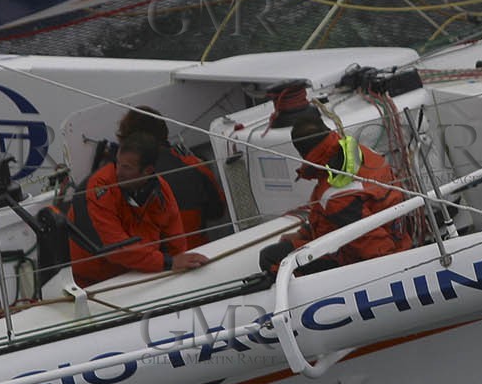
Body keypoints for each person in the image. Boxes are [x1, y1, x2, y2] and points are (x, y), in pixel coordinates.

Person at [258, 114, 414, 277]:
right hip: (399, 238)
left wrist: (394, 271)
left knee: (270, 257)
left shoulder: (336, 195)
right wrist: (306, 233)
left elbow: (370, 241)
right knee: (286, 244)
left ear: (304, 155)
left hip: (361, 257)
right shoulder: (359, 151)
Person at [67, 133, 207, 287]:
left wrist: (181, 266)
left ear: (147, 171)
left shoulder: (161, 192)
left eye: (126, 167)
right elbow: (116, 248)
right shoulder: (100, 188)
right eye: (118, 163)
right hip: (97, 283)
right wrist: (169, 262)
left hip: (143, 274)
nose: (118, 171)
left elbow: (176, 241)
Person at [116, 107, 228, 248]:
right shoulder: (195, 166)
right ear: (164, 133)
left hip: (149, 262)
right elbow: (217, 212)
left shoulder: (116, 179)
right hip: (197, 254)